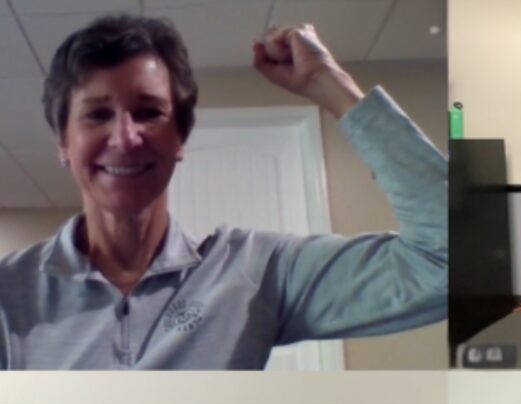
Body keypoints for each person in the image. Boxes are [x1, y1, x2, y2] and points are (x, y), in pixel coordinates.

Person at [0, 14, 446, 369]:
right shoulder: (8, 292)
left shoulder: (257, 273)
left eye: (149, 112)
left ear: (180, 140)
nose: (125, 137)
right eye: (97, 115)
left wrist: (330, 85)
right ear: (63, 143)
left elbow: (448, 261)